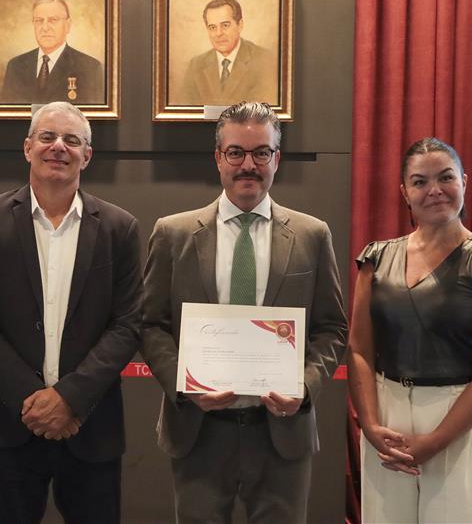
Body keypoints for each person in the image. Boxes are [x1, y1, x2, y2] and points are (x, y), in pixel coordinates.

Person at [141, 101, 347, 523]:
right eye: (236, 152)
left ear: (277, 159)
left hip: (282, 434)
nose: (248, 165)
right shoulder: (173, 234)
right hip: (198, 431)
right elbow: (150, 325)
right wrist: (185, 386)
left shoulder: (312, 235)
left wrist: (304, 387)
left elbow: (332, 328)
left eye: (261, 153)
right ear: (218, 157)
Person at [0, 101, 140, 523]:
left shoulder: (120, 228)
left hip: (90, 424)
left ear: (87, 155)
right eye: (47, 137)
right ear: (27, 148)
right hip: (8, 423)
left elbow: (128, 325)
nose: (58, 146)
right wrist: (34, 401)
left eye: (71, 140)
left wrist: (70, 399)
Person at [348, 137, 472, 523]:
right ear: (404, 192)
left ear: (464, 181)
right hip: (388, 419)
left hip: (462, 419)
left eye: (446, 177)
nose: (435, 190)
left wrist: (435, 441)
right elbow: (359, 349)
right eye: (420, 181)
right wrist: (371, 426)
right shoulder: (375, 258)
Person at [0, 0, 104, 105]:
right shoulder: (15, 66)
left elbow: (93, 113)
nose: (45, 28)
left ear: (68, 25)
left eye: (53, 20)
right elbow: (8, 112)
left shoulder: (90, 68)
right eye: (39, 20)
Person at [179, 0, 277, 107]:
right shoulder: (196, 65)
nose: (218, 33)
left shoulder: (264, 61)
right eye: (212, 27)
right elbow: (186, 111)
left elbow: (264, 112)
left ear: (240, 25)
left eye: (225, 25)